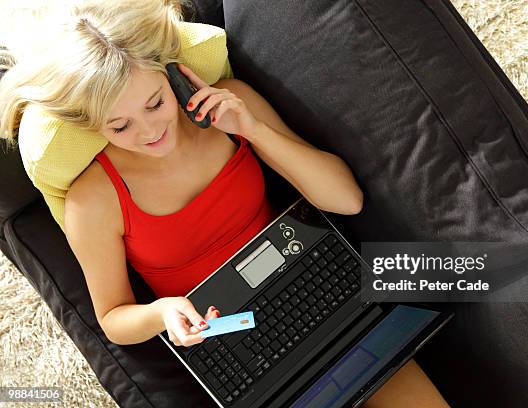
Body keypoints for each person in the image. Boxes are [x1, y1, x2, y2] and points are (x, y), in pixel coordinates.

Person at [0, 1, 449, 406]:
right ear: (92, 126)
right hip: (232, 339)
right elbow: (114, 317)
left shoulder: (232, 109)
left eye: (155, 103)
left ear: (169, 72)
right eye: (119, 127)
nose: (149, 132)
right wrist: (162, 312)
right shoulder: (92, 198)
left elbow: (345, 200)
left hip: (317, 290)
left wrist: (252, 129)